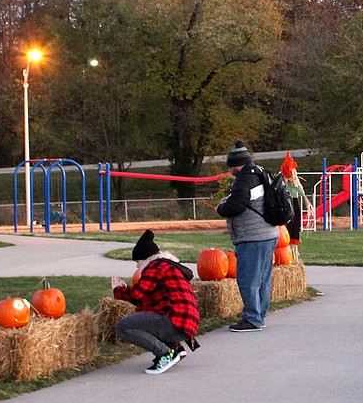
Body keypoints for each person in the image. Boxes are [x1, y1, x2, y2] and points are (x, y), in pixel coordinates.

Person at [111, 230, 200, 375]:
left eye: (137, 262)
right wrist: (126, 289)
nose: (137, 267)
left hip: (175, 321)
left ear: (145, 258)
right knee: (145, 317)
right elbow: (147, 300)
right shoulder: (167, 266)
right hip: (185, 323)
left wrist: (118, 290)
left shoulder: (155, 266)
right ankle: (175, 348)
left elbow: (138, 294)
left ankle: (165, 354)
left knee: (124, 327)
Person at [217, 140, 279, 332]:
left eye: (231, 166)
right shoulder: (260, 172)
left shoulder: (245, 180)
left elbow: (237, 205)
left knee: (248, 279)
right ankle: (260, 315)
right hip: (269, 233)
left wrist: (221, 207)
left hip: (253, 236)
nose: (231, 170)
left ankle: (252, 318)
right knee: (263, 279)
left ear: (237, 164)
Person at [280, 152, 314, 263]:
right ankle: (287, 251)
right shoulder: (282, 182)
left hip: (293, 203)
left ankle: (293, 252)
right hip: (287, 203)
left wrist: (305, 200)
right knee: (288, 225)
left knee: (295, 225)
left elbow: (300, 190)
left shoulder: (295, 183)